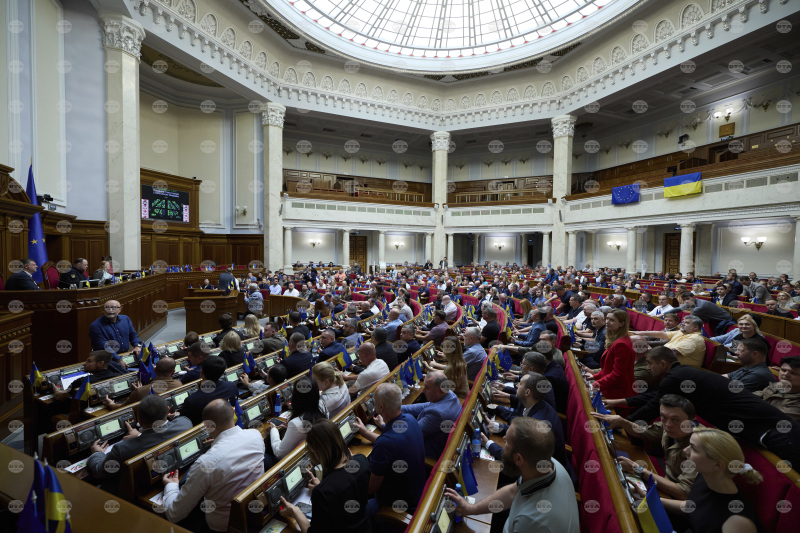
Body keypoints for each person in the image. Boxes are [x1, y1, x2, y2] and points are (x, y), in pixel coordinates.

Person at [613, 349, 800, 468]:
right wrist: (618, 406)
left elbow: (654, 405)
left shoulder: (676, 376)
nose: (647, 367)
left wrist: (622, 424)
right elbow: (657, 397)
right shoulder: (679, 374)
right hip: (759, 427)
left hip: (774, 431)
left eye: (649, 363)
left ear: (663, 364)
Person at [445, 417, 579, 533]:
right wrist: (471, 509)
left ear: (519, 459)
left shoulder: (531, 521)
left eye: (507, 441)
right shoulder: (548, 465)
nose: (503, 439)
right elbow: (512, 492)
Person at [162, 399, 265, 532]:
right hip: (254, 514)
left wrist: (171, 486)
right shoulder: (256, 435)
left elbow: (174, 514)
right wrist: (217, 445)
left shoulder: (205, 463)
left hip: (222, 527)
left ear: (207, 426)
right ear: (233, 412)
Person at [593, 393, 697, 499]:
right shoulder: (668, 425)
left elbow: (683, 492)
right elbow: (643, 432)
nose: (668, 424)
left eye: (675, 420)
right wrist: (621, 421)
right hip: (666, 477)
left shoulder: (698, 446)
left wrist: (638, 469)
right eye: (664, 417)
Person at [278, 419, 371, 533]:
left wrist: (294, 510)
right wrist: (323, 486)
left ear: (317, 451)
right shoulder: (362, 460)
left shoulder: (322, 492)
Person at [663, 428, 763, 533]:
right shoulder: (704, 477)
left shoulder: (737, 523)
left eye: (693, 448)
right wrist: (657, 500)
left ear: (717, 465)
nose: (685, 450)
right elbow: (693, 506)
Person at [87, 394, 192, 493]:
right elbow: (173, 423)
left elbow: (100, 472)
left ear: (139, 421)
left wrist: (97, 453)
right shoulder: (185, 423)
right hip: (176, 476)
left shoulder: (121, 449)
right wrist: (139, 436)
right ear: (168, 410)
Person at [351, 383, 426, 519]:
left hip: (395, 507)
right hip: (417, 492)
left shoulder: (385, 444)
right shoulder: (410, 419)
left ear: (381, 407)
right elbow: (393, 441)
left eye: (374, 402)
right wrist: (365, 432)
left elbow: (371, 489)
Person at [486, 372, 567, 468]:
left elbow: (515, 460)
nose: (516, 385)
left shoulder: (536, 425)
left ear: (527, 392)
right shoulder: (537, 404)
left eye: (520, 384)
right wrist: (496, 426)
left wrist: (488, 443)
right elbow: (519, 429)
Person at [400, 371, 462, 459]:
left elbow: (409, 435)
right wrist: (397, 408)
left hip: (425, 455)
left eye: (427, 388)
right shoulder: (449, 395)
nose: (423, 391)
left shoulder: (437, 414)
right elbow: (427, 405)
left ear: (440, 391)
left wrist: (384, 424)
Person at [267, 377, 327, 462]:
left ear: (296, 397)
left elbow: (279, 453)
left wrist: (273, 430)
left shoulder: (296, 423)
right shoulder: (322, 406)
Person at [587, 309, 635, 401]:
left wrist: (596, 384)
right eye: (607, 319)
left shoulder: (621, 344)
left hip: (618, 393)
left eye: (611, 320)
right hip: (610, 387)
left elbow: (617, 374)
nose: (607, 322)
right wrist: (595, 376)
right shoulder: (616, 339)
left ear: (622, 324)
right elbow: (608, 368)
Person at [103, 357, 182, 410]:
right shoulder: (179, 384)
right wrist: (141, 390)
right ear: (173, 372)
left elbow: (122, 408)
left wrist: (111, 404)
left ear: (154, 370)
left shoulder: (140, 392)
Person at [179, 357, 239, 425]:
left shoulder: (191, 400)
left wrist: (175, 416)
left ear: (201, 372)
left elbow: (183, 420)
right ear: (222, 373)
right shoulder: (232, 386)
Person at [632, 314, 706, 368]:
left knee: (638, 345)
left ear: (695, 327)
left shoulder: (694, 339)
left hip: (675, 367)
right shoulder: (682, 332)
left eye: (687, 323)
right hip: (663, 361)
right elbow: (663, 334)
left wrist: (648, 349)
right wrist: (638, 332)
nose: (682, 324)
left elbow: (671, 353)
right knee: (637, 341)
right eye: (683, 322)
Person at [52, 350, 126, 401]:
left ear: (100, 363)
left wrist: (56, 391)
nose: (84, 364)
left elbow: (59, 396)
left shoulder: (82, 381)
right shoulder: (117, 376)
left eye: (89, 361)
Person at [753, 356, 800, 421]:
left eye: (793, 373)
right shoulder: (778, 385)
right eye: (783, 370)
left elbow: (773, 419)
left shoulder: (797, 403)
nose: (785, 374)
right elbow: (759, 394)